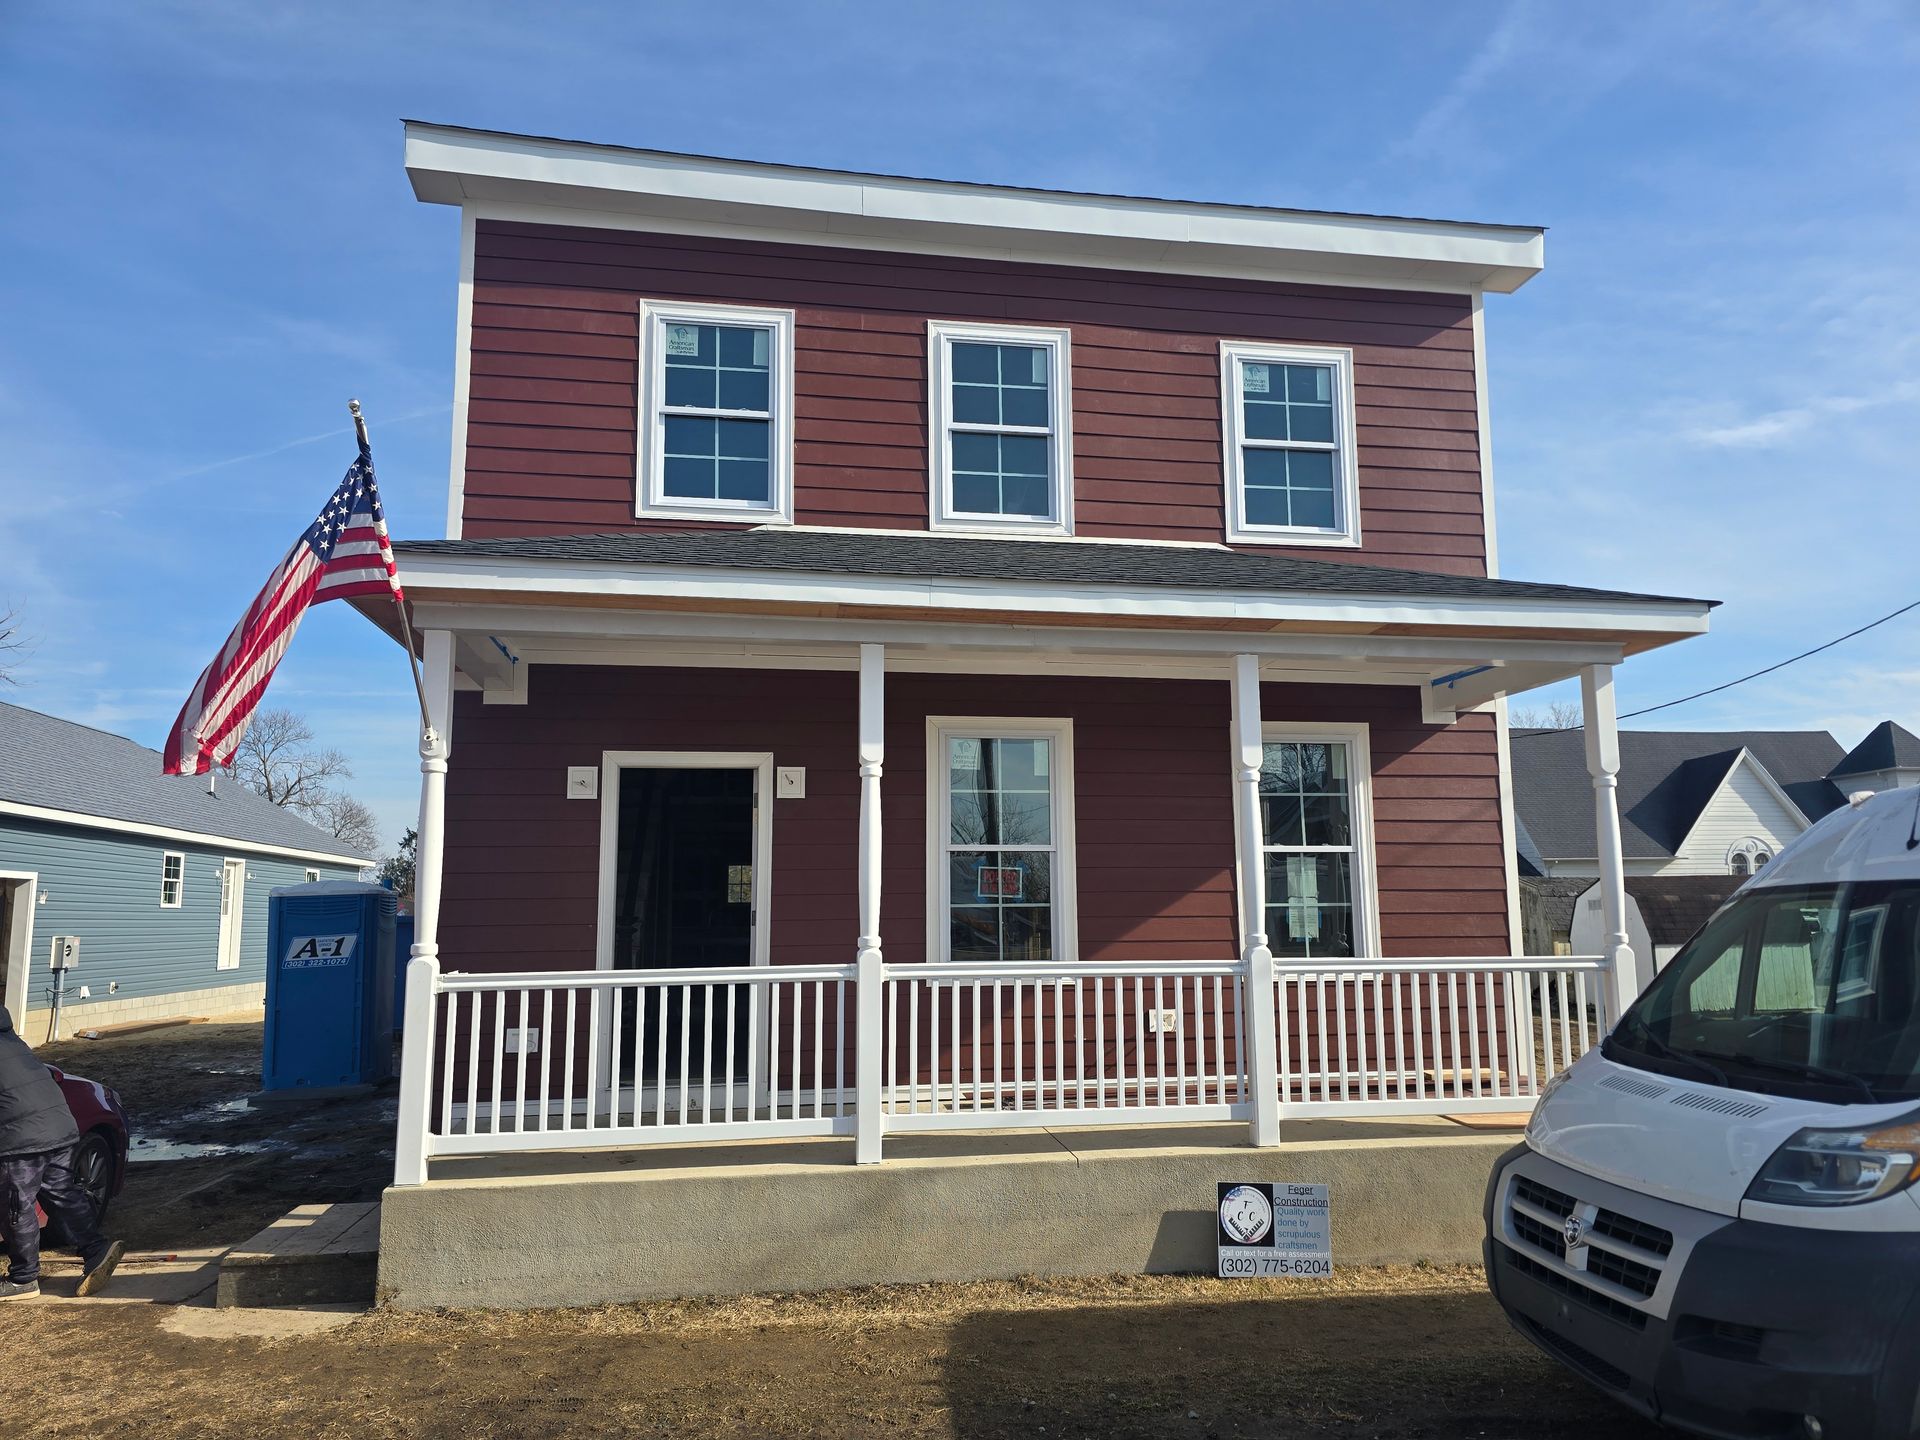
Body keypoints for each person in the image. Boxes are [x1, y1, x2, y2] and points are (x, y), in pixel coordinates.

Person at [0, 1007, 123, 1300]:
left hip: (22, 1136)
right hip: (58, 1125)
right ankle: (96, 1249)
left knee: (16, 1206)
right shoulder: (9, 1038)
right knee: (61, 1193)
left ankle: (24, 1279)